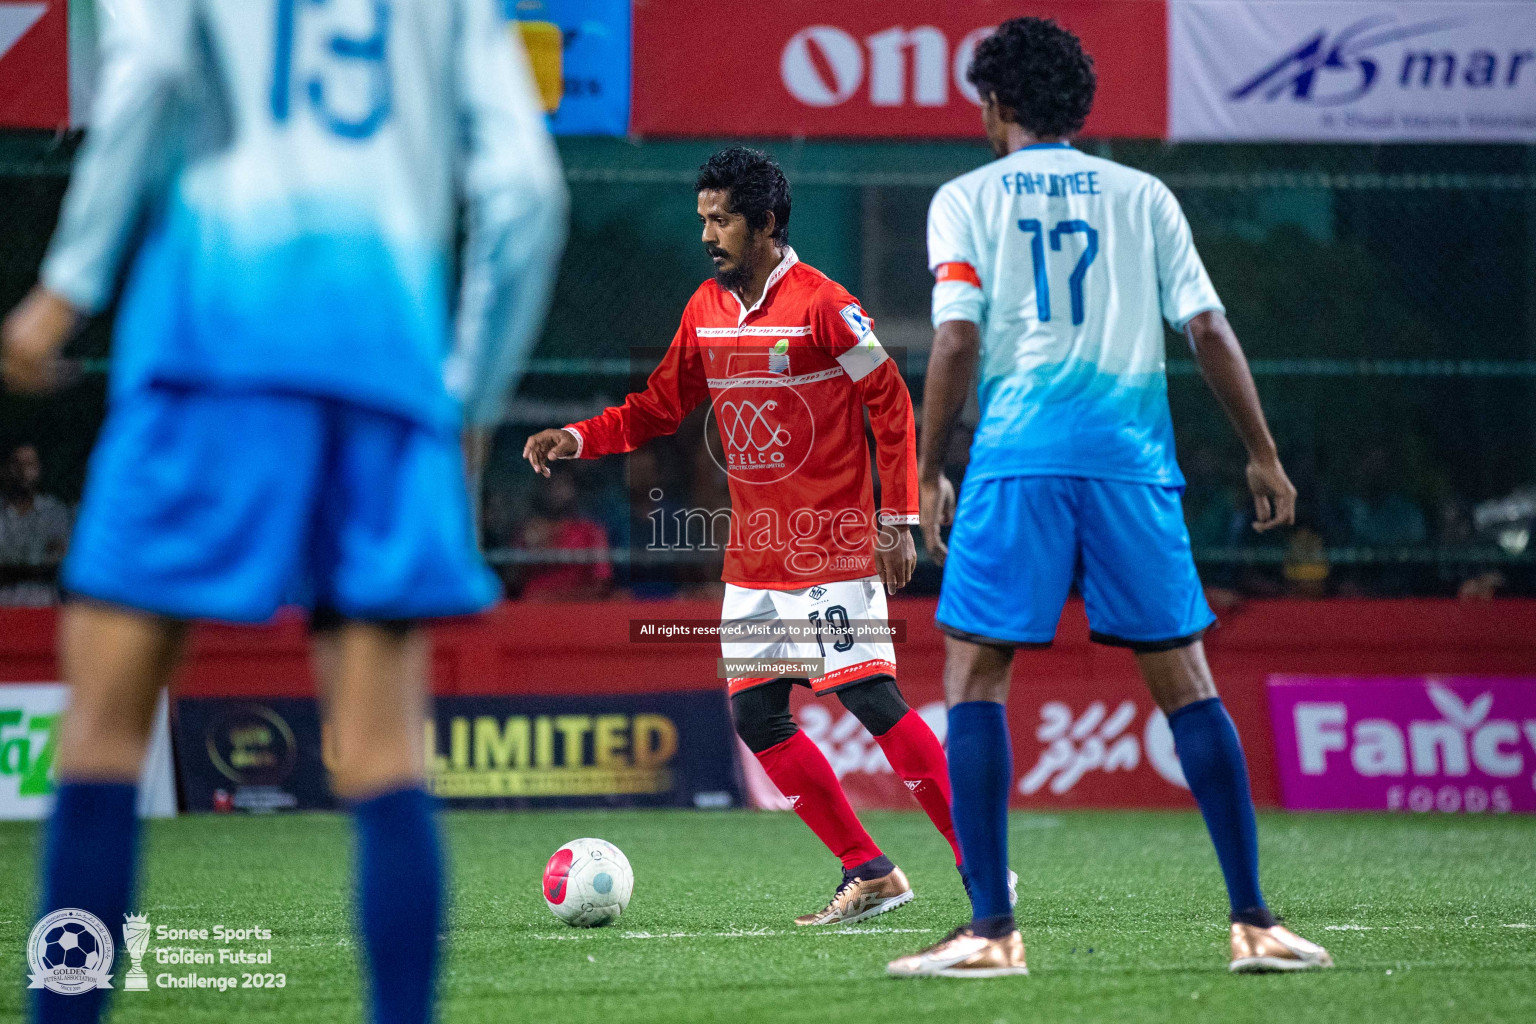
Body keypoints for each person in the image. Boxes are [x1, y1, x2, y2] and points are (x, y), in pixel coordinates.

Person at [0, 0, 565, 1021]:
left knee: (103, 731)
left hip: (210, 351)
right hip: (385, 373)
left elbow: (150, 75)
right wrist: (464, 392)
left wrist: (66, 284)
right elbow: (528, 192)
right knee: (386, 750)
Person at [888, 19, 1331, 978]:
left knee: (974, 677)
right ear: (1075, 105)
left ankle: (992, 933)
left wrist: (927, 469)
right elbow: (1208, 328)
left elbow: (957, 341)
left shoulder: (964, 198)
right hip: (1135, 462)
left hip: (1019, 458)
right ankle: (1255, 922)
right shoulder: (1145, 196)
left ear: (996, 105)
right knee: (1187, 683)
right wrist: (1262, 454)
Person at [525, 147, 987, 926]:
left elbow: (891, 403)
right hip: (756, 557)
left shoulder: (827, 307)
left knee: (871, 698)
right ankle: (870, 872)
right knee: (756, 718)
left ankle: (984, 868)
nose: (708, 234)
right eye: (702, 218)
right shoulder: (705, 308)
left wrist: (898, 517)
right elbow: (656, 407)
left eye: (723, 219)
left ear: (767, 224)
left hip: (834, 542)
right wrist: (579, 435)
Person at [0, 444, 73, 605]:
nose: (23, 471)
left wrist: (12, 570)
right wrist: (37, 568)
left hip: (42, 606)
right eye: (17, 464)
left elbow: (63, 565)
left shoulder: (54, 511)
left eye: (30, 464)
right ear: (4, 469)